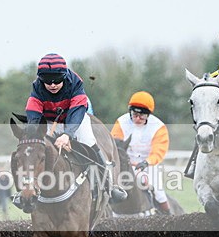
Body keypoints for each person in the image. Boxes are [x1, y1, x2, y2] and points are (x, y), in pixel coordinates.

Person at [14, 52, 126, 211]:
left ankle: (110, 184)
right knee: (32, 148)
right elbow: (33, 112)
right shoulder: (37, 87)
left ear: (64, 76)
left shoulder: (75, 83)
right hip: (51, 120)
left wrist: (67, 134)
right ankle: (24, 190)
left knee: (89, 142)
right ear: (41, 80)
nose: (52, 85)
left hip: (76, 119)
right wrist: (34, 132)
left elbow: (77, 110)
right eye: (48, 82)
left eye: (57, 81)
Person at [110, 91, 173, 214]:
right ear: (130, 112)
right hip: (125, 164)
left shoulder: (158, 127)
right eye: (134, 115)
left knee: (159, 192)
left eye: (142, 116)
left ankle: (168, 216)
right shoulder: (121, 122)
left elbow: (158, 151)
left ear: (148, 115)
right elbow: (115, 144)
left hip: (148, 165)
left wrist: (147, 162)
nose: (137, 119)